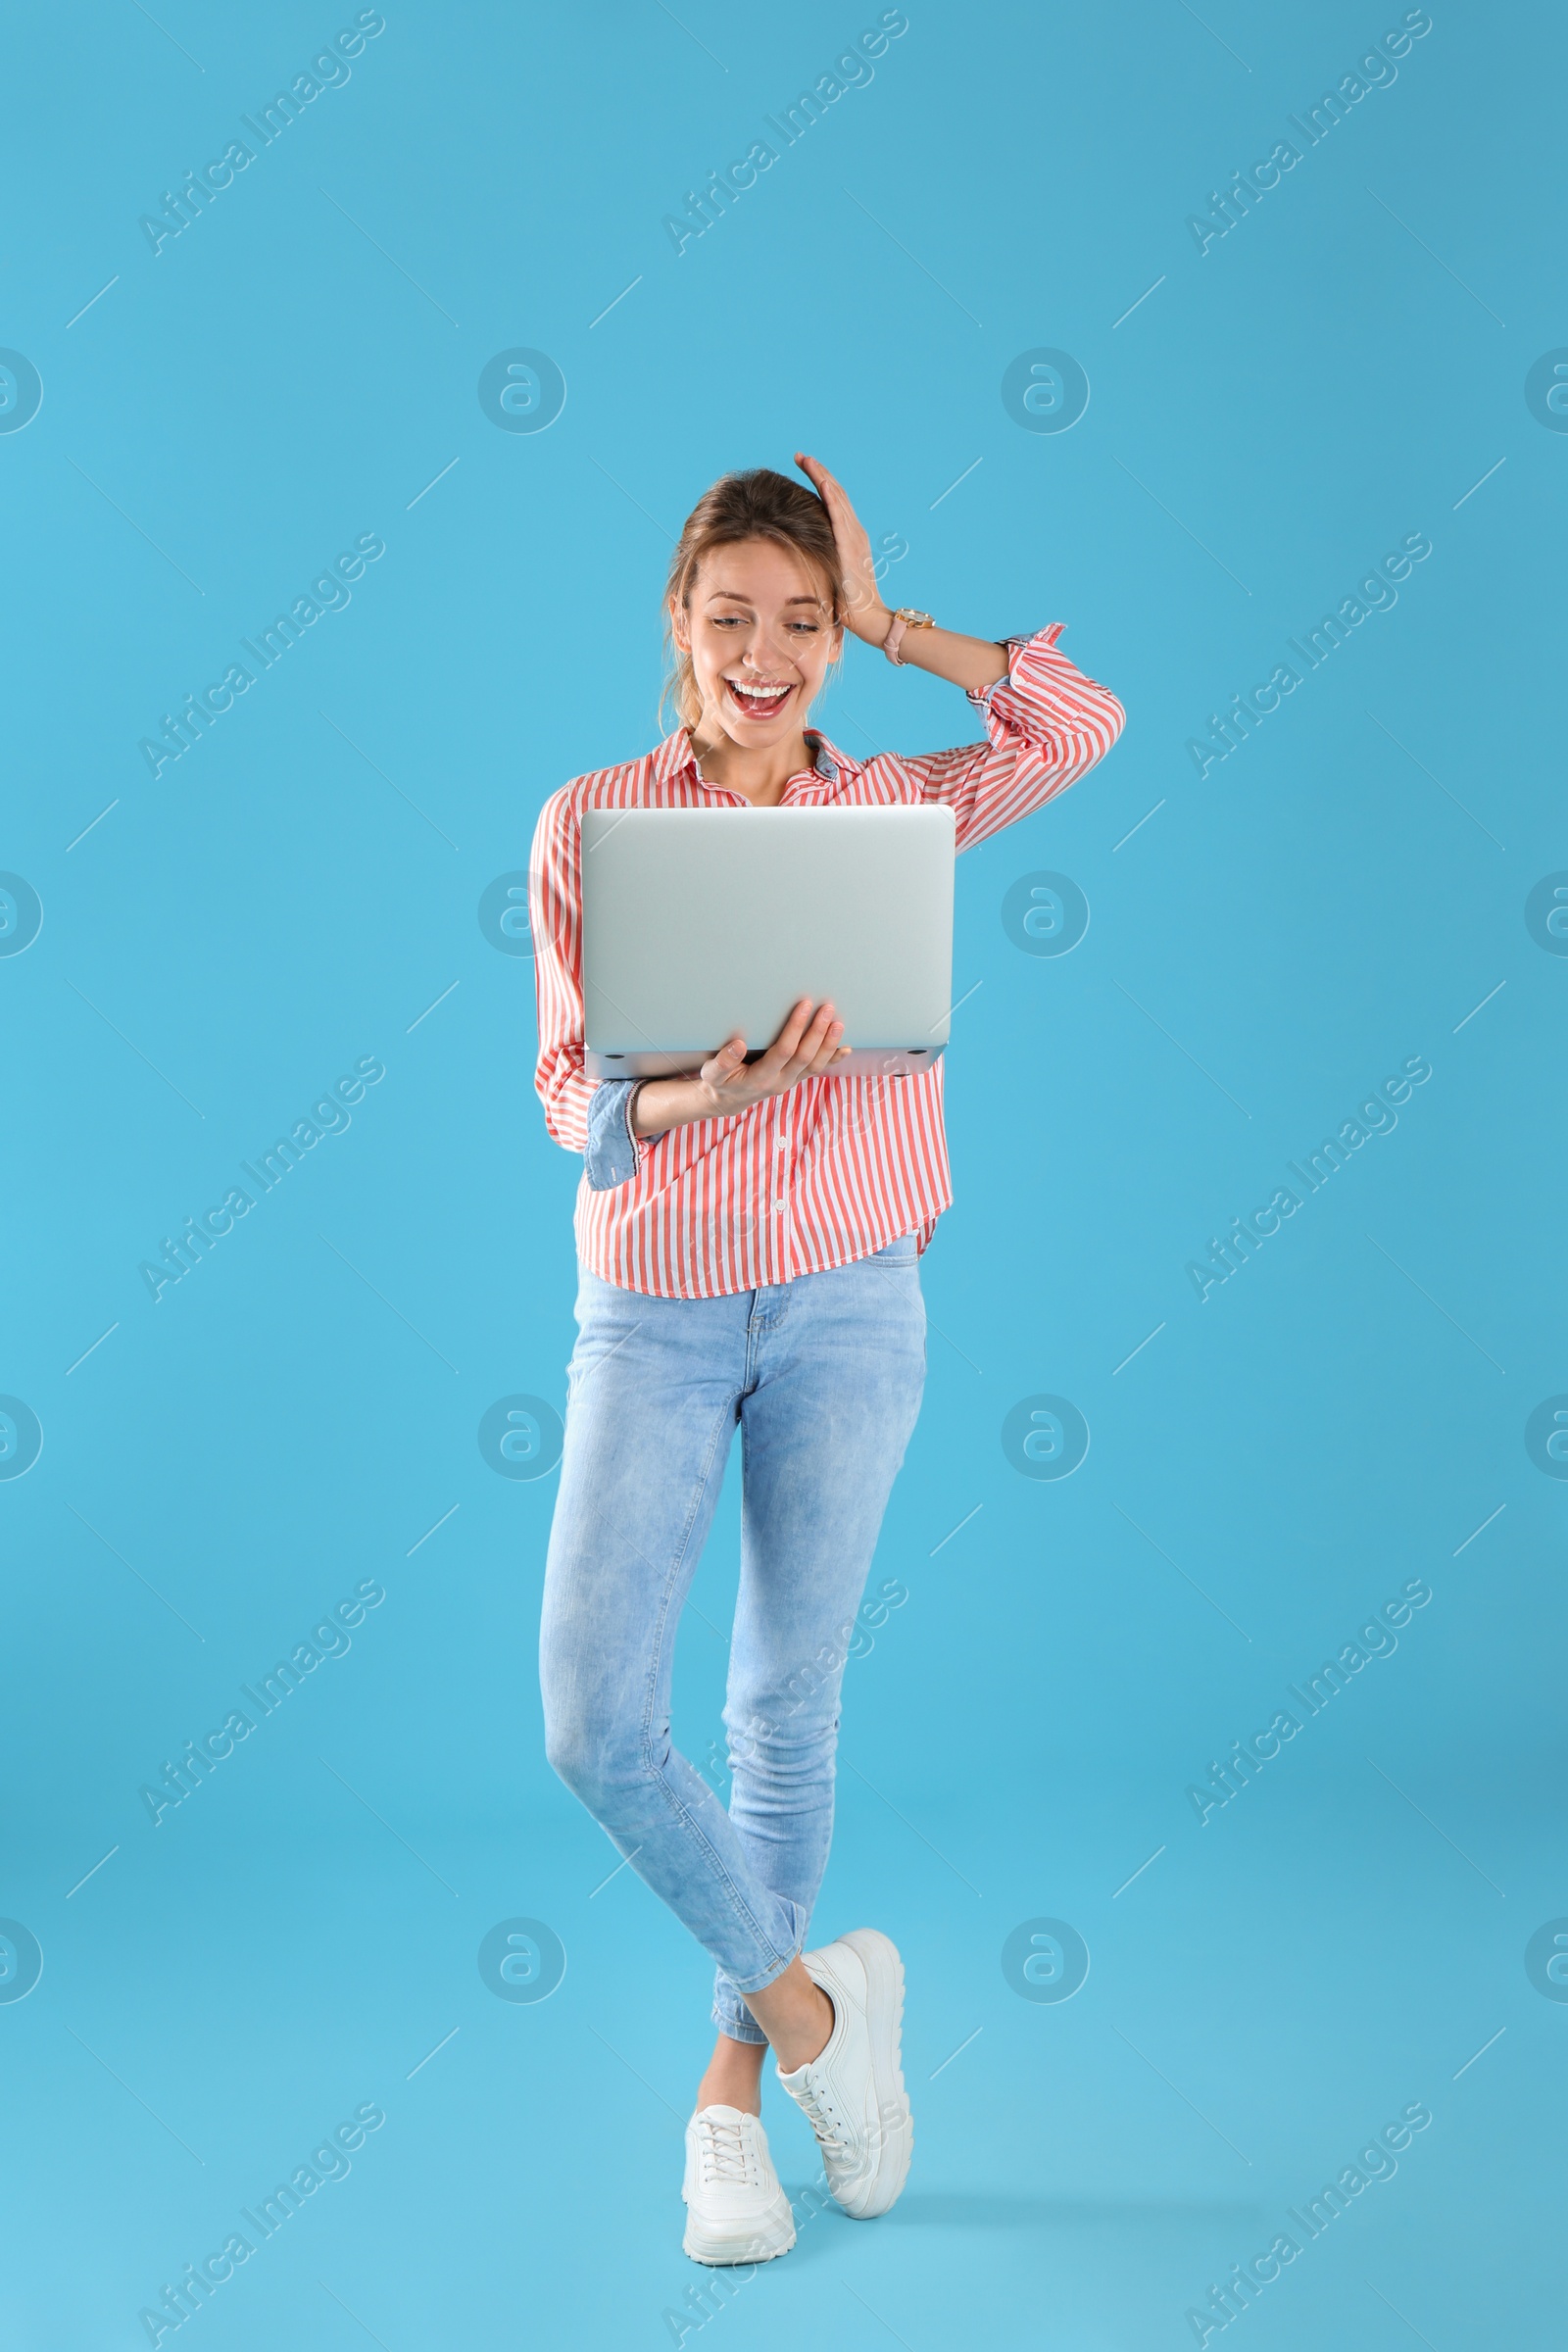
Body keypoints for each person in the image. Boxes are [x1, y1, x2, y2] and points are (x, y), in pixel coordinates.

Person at [530, 458, 1123, 2265]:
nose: (767, 655)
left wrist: (891, 615)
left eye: (803, 623)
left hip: (855, 1298)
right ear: (676, 626)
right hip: (658, 1303)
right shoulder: (594, 821)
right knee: (595, 1715)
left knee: (780, 1711)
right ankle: (812, 2021)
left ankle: (726, 2110)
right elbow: (573, 1091)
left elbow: (1077, 718)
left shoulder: (902, 814)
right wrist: (729, 1085)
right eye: (735, 620)